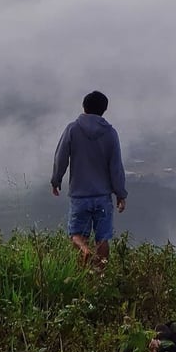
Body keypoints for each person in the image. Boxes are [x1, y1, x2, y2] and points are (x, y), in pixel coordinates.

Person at [51, 90, 127, 267]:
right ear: (104, 110)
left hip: (80, 195)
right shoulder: (110, 133)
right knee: (103, 239)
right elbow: (116, 167)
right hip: (102, 196)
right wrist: (120, 194)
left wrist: (56, 180)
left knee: (76, 235)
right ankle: (100, 277)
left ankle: (83, 253)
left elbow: (61, 157)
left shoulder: (73, 129)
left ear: (84, 106)